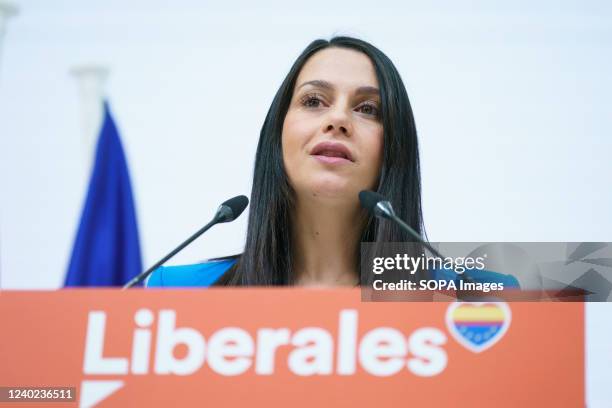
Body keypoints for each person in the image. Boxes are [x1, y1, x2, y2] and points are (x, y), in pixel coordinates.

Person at [147, 36, 425, 288]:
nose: (338, 119)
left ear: (394, 148)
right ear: (277, 134)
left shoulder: (455, 292)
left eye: (367, 109)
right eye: (314, 101)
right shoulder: (175, 290)